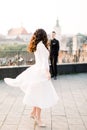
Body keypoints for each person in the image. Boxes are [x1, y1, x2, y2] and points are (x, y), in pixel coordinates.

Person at [4, 29, 59, 127]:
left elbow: (41, 61)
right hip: (41, 72)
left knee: (38, 94)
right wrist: (47, 72)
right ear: (43, 36)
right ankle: (38, 118)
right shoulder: (41, 46)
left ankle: (33, 113)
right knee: (40, 96)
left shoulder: (38, 45)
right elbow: (44, 62)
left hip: (37, 71)